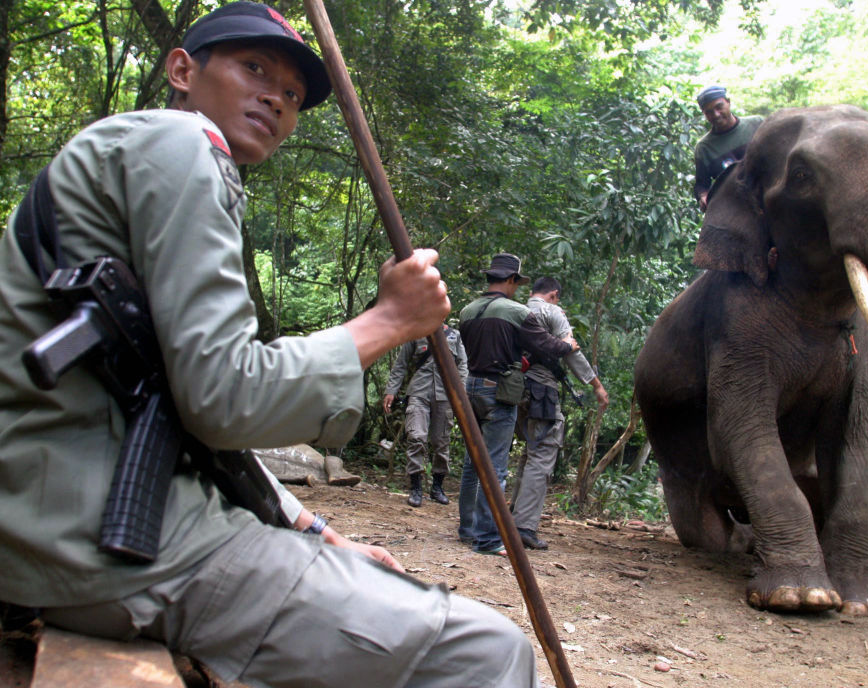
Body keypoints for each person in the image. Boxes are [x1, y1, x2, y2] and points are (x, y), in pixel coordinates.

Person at [0, 3, 537, 687]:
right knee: (485, 652)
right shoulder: (181, 144)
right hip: (101, 544)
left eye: (291, 95)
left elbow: (168, 407)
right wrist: (386, 322)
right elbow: (222, 397)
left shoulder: (132, 153)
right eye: (254, 68)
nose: (276, 100)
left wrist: (311, 527)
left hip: (62, 520)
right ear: (182, 70)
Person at [456, 253, 577, 556]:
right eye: (516, 283)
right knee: (495, 466)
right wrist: (568, 345)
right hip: (499, 391)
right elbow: (546, 345)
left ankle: (467, 529)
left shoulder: (467, 311)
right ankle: (487, 539)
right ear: (510, 280)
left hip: (470, 385)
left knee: (473, 461)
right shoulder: (516, 311)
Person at [513, 277, 609, 551]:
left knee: (531, 453)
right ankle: (523, 527)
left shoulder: (516, 309)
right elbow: (572, 353)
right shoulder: (552, 312)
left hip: (515, 391)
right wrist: (597, 386)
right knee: (542, 456)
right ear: (554, 294)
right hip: (542, 391)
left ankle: (513, 516)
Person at [383, 323, 468, 507]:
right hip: (419, 392)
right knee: (416, 437)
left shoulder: (455, 335)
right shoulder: (416, 333)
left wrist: (460, 393)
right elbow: (401, 364)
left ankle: (437, 487)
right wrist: (391, 390)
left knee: (441, 441)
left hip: (446, 395)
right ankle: (415, 487)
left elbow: (462, 366)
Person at [692, 85, 765, 211]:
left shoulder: (757, 123)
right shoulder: (704, 148)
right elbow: (701, 185)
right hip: (737, 206)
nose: (716, 114)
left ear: (728, 102)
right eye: (708, 112)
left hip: (768, 192)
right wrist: (703, 196)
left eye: (719, 107)